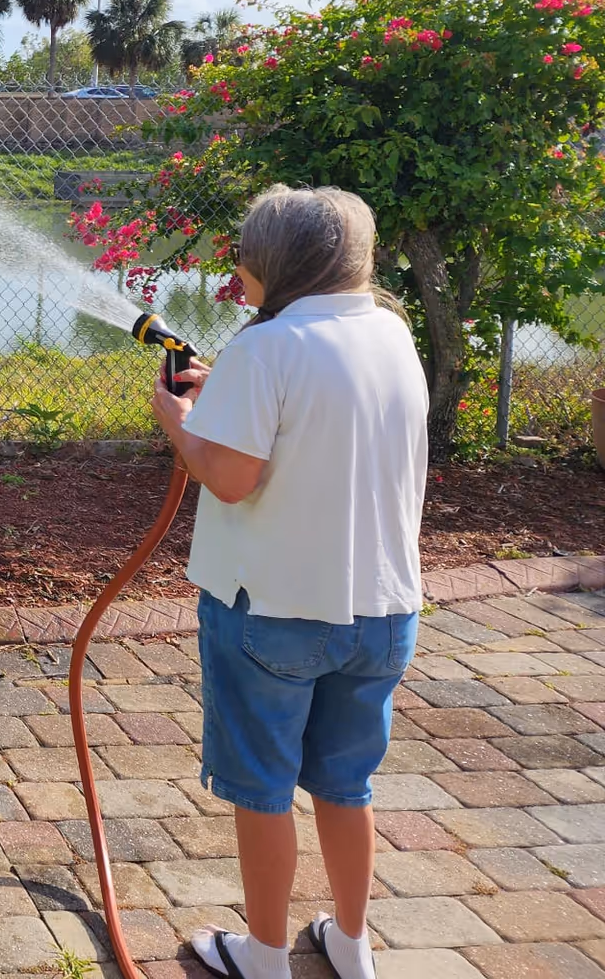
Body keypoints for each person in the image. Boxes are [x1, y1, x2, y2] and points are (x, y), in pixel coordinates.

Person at [149, 184, 428, 979]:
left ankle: (264, 958)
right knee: (347, 783)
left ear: (271, 263)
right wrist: (217, 406)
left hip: (271, 613)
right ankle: (350, 946)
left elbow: (230, 477)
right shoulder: (391, 336)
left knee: (263, 789)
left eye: (245, 258)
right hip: (381, 613)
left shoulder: (264, 348)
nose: (239, 272)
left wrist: (179, 422)